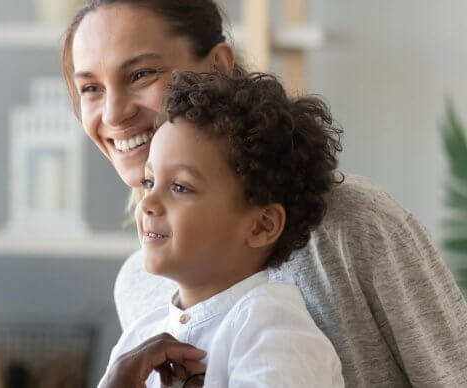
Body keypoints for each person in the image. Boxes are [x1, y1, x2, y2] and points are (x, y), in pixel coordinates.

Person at [61, 0, 467, 386]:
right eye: (91, 88)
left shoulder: (354, 224)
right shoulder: (141, 283)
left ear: (218, 66)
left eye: (140, 74)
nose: (113, 114)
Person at [100, 70, 346, 387]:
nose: (147, 202)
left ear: (261, 225)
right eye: (149, 182)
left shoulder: (274, 331)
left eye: (179, 187)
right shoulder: (139, 339)